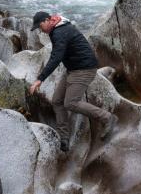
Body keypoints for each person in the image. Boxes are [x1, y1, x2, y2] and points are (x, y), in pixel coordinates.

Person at [27, 11, 117, 152]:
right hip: (73, 69)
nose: (40, 30)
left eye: (40, 26)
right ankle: (64, 138)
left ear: (47, 20)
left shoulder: (60, 32)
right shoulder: (57, 28)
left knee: (71, 103)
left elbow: (56, 57)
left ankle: (107, 118)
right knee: (57, 100)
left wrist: (40, 79)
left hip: (84, 69)